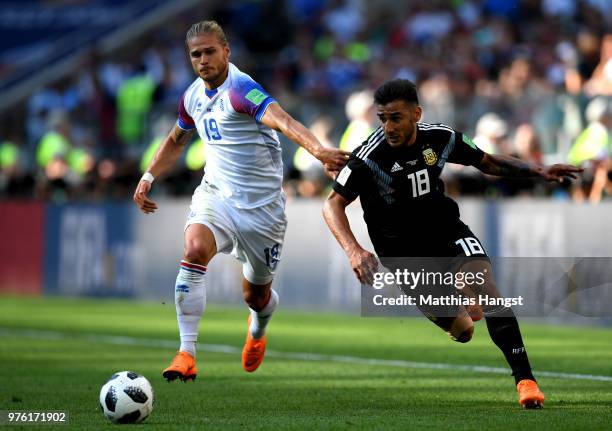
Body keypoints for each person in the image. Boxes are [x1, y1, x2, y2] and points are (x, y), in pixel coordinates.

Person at [322, 79, 583, 409]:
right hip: (402, 253)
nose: (388, 126)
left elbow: (487, 161)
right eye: (383, 118)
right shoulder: (369, 157)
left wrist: (538, 169)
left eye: (396, 117)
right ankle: (458, 303)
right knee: (463, 330)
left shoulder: (441, 138)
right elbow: (332, 204)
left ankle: (525, 381)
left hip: (446, 230)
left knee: (486, 287)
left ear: (416, 114)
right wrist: (354, 249)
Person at [133, 20, 348, 382]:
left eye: (209, 52)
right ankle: (187, 352)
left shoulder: (241, 89)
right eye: (195, 54)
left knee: (256, 296)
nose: (202, 60)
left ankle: (259, 327)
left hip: (262, 212)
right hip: (216, 197)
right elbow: (174, 140)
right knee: (194, 249)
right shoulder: (192, 97)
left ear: (226, 51)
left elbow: (283, 121)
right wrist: (148, 176)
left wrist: (319, 151)